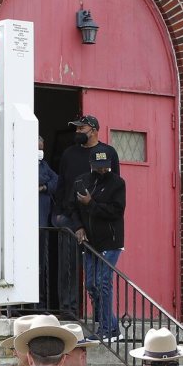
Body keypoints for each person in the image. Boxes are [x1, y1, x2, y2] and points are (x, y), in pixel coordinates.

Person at [54, 115, 120, 317]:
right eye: (76, 129)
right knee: (68, 266)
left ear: (93, 130)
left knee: (97, 277)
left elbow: (114, 185)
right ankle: (69, 309)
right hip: (71, 218)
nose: (77, 133)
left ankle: (102, 316)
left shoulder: (108, 153)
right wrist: (59, 214)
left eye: (81, 129)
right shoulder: (68, 154)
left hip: (96, 219)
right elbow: (62, 186)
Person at [72, 145, 126, 341]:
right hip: (90, 242)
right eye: (99, 166)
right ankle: (112, 327)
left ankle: (105, 329)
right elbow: (74, 209)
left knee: (103, 282)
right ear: (92, 164)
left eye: (106, 166)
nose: (103, 170)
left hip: (110, 241)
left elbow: (116, 211)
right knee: (91, 285)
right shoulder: (82, 181)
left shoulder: (117, 183)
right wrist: (79, 227)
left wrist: (91, 204)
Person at [38, 136, 59, 308]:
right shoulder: (24, 161)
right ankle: (22, 306)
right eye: (38, 147)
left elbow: (56, 181)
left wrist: (44, 187)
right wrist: (43, 182)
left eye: (42, 147)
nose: (40, 150)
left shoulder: (44, 164)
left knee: (42, 264)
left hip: (43, 223)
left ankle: (41, 304)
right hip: (29, 225)